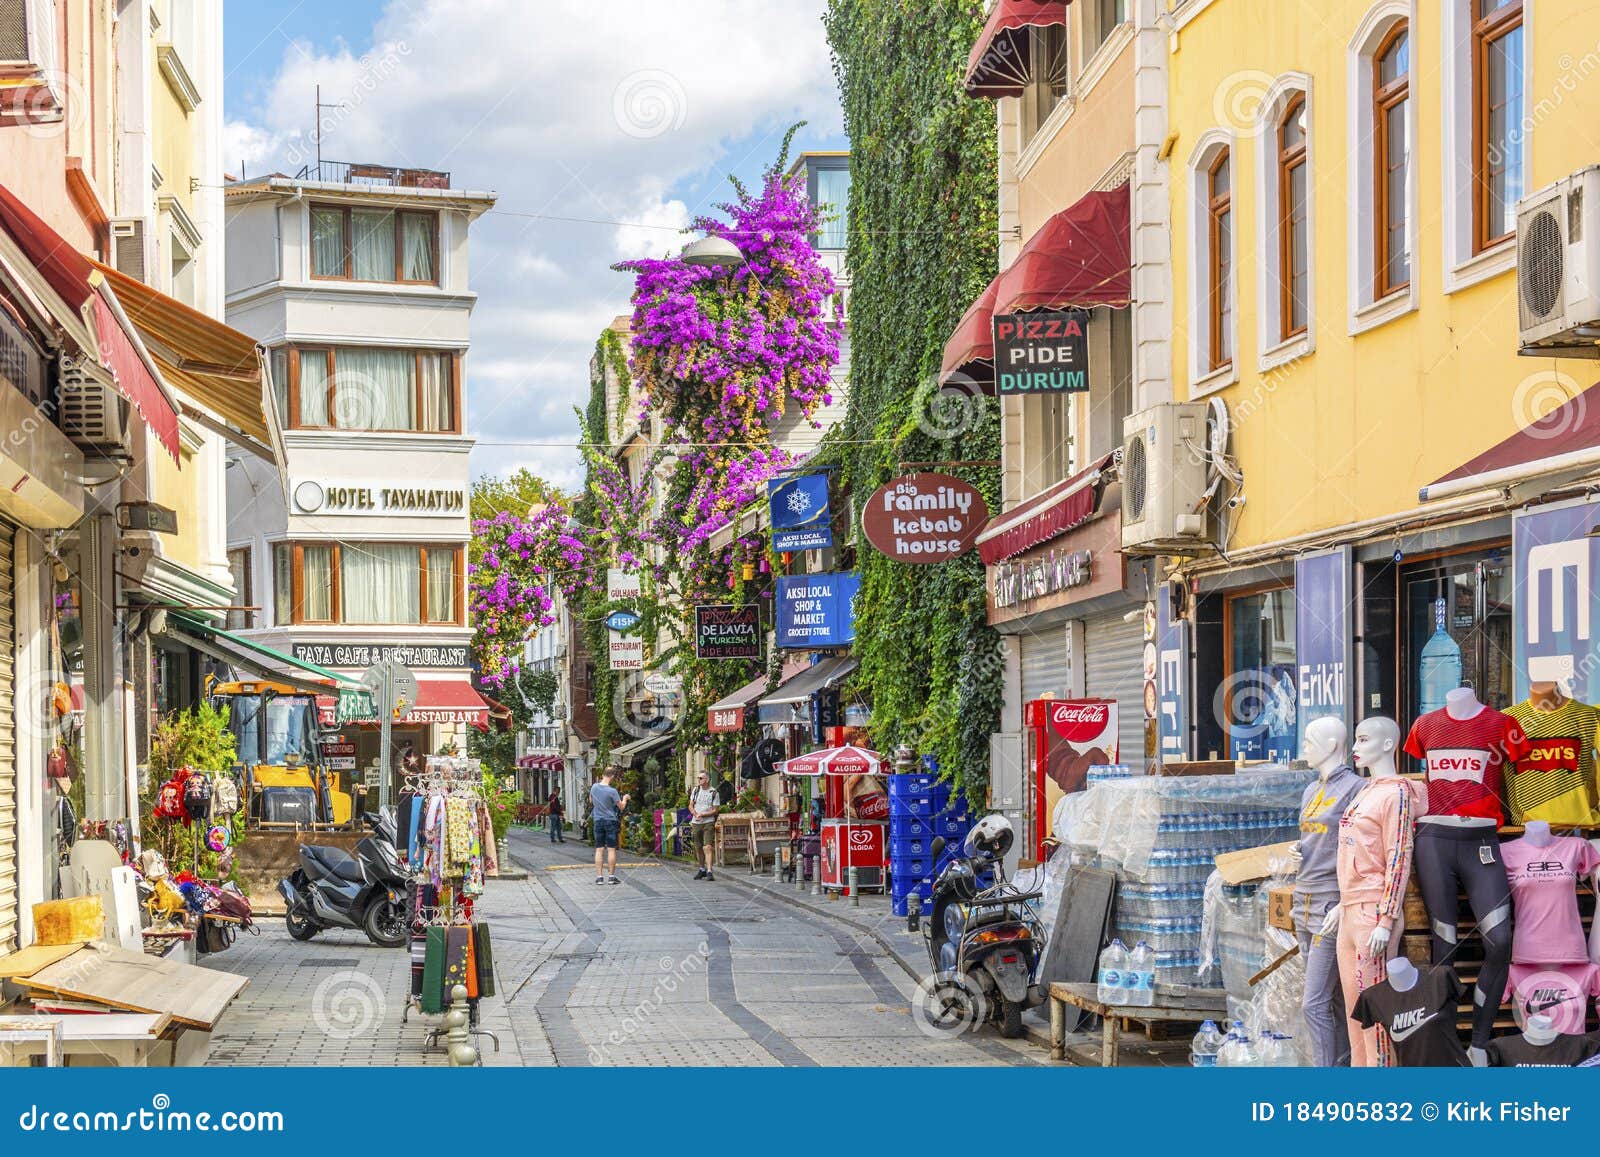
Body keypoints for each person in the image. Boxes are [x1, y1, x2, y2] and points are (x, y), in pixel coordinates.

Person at [589, 769, 627, 884]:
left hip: (598, 820)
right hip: (610, 821)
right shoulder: (612, 791)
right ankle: (611, 877)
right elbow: (621, 807)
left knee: (599, 849)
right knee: (611, 849)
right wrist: (625, 798)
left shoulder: (594, 787)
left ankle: (599, 877)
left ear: (602, 775)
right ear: (612, 777)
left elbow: (591, 801)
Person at [689, 770, 720, 881]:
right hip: (696, 822)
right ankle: (702, 869)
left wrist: (703, 814)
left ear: (707, 779)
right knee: (698, 847)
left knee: (707, 847)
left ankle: (710, 871)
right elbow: (690, 805)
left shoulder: (714, 792)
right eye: (698, 778)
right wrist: (695, 814)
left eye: (701, 778)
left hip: (708, 822)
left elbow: (715, 810)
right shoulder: (696, 790)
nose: (698, 780)